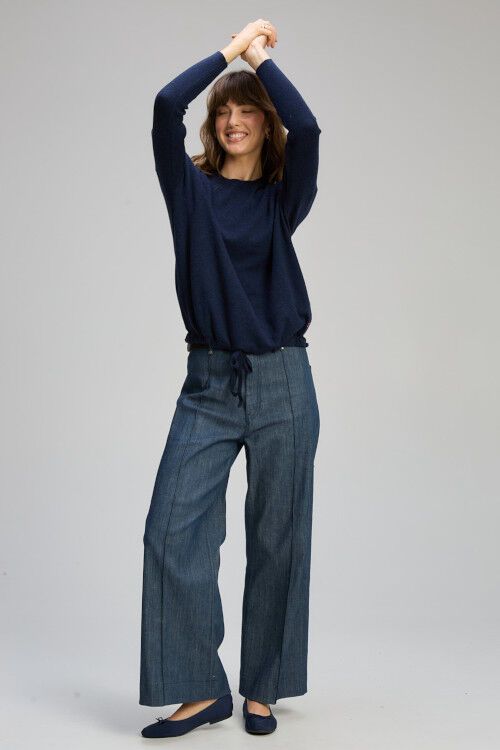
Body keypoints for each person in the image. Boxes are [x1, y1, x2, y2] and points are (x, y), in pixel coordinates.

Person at [140, 18, 321, 738]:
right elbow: (164, 105)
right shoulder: (190, 191)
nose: (235, 119)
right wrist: (230, 49)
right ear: (213, 125)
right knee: (170, 529)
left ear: (264, 124)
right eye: (224, 109)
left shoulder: (282, 199)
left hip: (283, 380)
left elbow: (309, 129)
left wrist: (260, 64)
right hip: (209, 385)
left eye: (248, 110)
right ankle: (200, 689)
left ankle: (263, 689)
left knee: (280, 539)